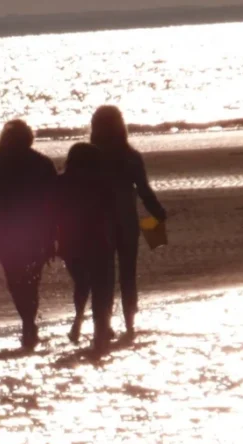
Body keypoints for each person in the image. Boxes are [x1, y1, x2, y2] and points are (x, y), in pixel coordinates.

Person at [90, 105, 167, 342]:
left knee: (102, 275)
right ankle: (130, 323)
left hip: (97, 222)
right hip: (126, 221)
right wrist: (158, 214)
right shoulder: (130, 156)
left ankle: (102, 326)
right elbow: (144, 191)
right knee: (128, 274)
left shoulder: (89, 157)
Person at [0, 120, 57, 351]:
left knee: (15, 282)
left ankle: (28, 323)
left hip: (9, 231)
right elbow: (54, 204)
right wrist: (52, 236)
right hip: (37, 231)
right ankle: (29, 322)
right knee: (32, 281)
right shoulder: (42, 163)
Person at [55, 143, 116, 354]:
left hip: (70, 243)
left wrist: (51, 242)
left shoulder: (60, 183)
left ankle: (79, 320)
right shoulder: (101, 184)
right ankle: (101, 332)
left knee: (82, 283)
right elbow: (112, 214)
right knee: (102, 287)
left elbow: (51, 216)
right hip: (98, 241)